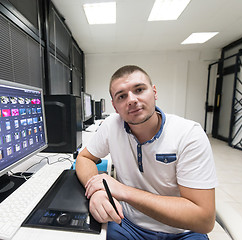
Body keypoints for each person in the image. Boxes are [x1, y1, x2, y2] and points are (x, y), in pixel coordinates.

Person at [75, 65, 217, 240]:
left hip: (182, 232)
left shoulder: (188, 134)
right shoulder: (112, 125)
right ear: (114, 106)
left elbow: (204, 220)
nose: (132, 100)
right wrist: (96, 189)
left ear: (154, 92)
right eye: (122, 96)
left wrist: (123, 191)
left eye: (139, 89)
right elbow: (85, 157)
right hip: (128, 225)